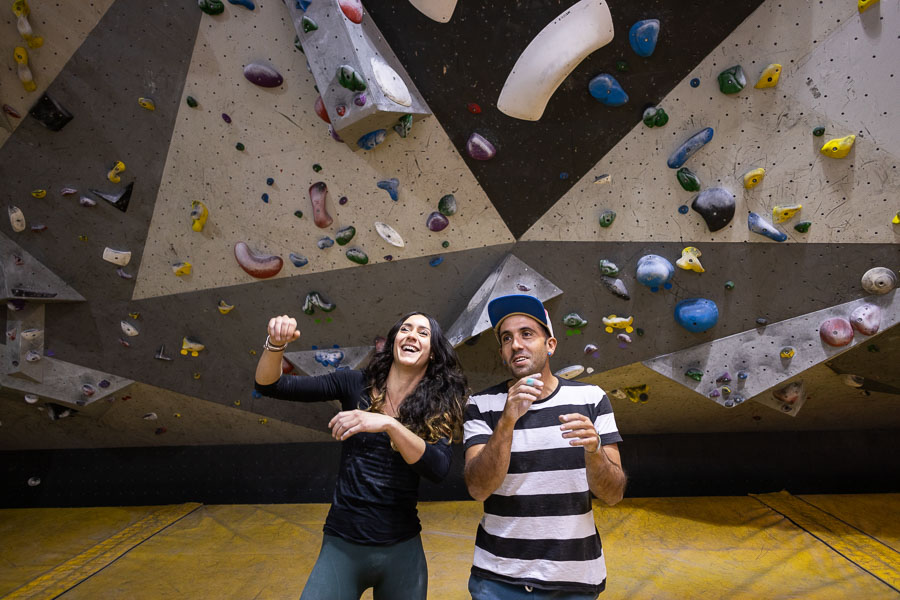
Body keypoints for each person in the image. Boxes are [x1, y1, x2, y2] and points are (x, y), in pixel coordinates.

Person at [254, 311, 467, 600]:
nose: (412, 335)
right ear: (394, 343)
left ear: (432, 353)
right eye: (405, 329)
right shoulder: (355, 384)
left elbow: (438, 469)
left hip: (402, 553)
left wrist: (390, 425)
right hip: (342, 546)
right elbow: (271, 385)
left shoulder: (437, 405)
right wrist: (275, 345)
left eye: (423, 332)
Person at [463, 294, 626, 599]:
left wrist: (595, 451)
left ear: (550, 345)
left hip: (573, 579)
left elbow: (613, 493)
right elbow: (478, 488)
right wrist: (507, 421)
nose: (516, 345)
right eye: (507, 338)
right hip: (499, 580)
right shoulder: (482, 405)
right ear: (502, 352)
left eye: (527, 334)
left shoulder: (591, 399)